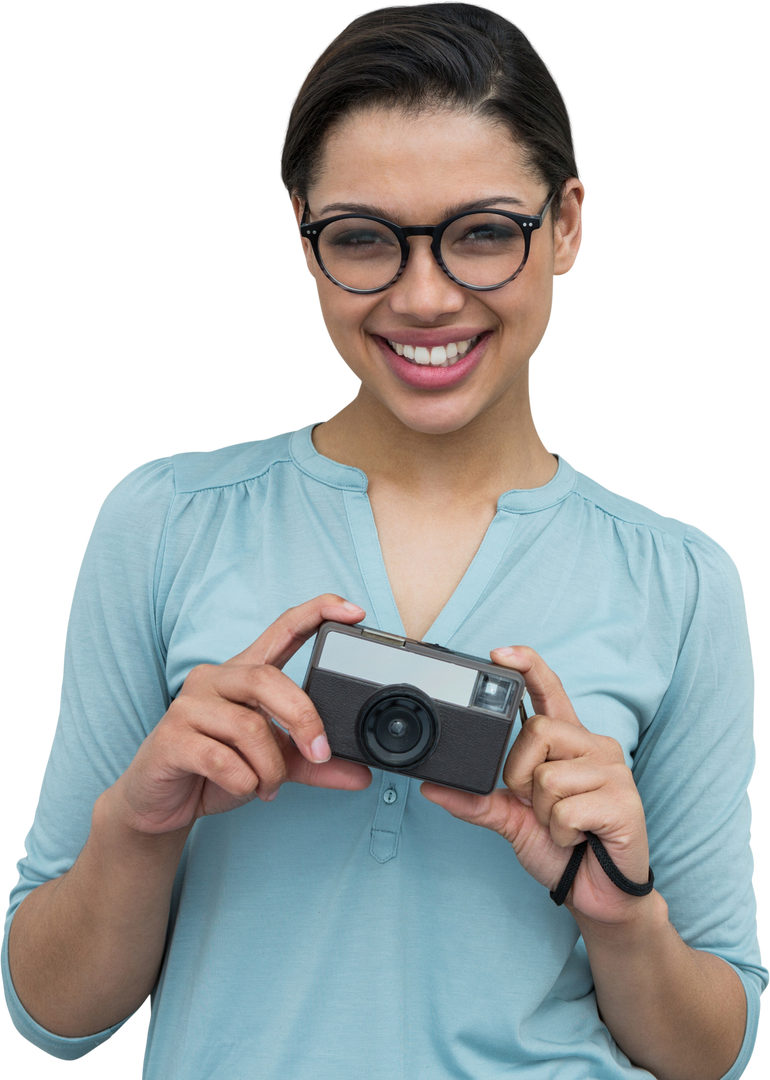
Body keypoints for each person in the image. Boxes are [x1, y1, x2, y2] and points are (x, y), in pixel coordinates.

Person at [2, 2, 765, 1076]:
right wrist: (141, 821)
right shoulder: (163, 519)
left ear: (566, 225)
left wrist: (616, 908)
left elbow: (712, 1052)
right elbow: (50, 1013)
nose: (422, 295)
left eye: (483, 233)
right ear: (301, 233)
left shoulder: (680, 580)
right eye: (362, 237)